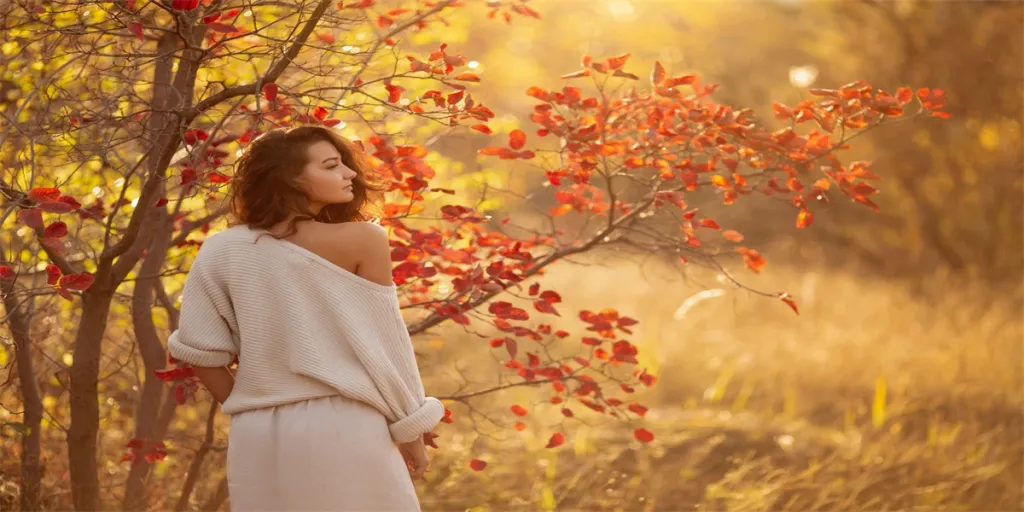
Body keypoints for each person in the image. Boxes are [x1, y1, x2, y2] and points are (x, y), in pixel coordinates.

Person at [167, 125, 445, 511]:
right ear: (290, 179)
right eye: (332, 166)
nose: (349, 173)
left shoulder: (220, 250)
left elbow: (200, 353)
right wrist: (409, 427)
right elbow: (386, 347)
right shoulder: (364, 240)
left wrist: (259, 401)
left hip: (257, 435)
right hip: (345, 422)